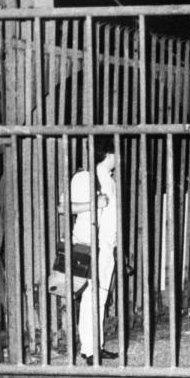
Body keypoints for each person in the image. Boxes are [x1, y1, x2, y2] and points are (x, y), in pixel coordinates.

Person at [69, 137, 119, 365]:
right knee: (91, 297)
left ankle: (96, 345)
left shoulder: (109, 179)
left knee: (100, 297)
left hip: (107, 245)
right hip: (89, 245)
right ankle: (89, 349)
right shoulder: (85, 176)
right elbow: (64, 207)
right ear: (108, 154)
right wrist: (94, 204)